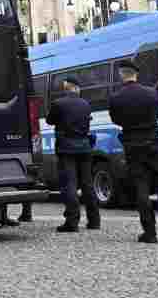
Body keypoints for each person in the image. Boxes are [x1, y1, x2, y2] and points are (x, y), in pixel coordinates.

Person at [108, 59, 158, 244]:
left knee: (141, 187)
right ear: (136, 74)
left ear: (121, 74)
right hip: (153, 144)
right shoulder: (151, 93)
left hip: (132, 147)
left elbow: (116, 120)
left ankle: (149, 232)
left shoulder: (116, 97)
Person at [47, 76, 101, 233]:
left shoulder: (58, 104)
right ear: (77, 88)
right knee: (87, 183)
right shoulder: (86, 104)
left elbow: (50, 121)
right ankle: (94, 220)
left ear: (66, 87)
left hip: (66, 148)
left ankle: (72, 221)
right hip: (84, 147)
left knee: (69, 184)